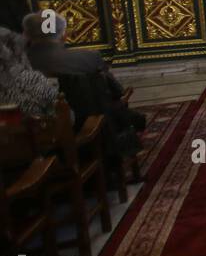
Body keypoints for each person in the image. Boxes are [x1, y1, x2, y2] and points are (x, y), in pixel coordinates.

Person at [22, 11, 145, 157]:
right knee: (113, 106)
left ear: (26, 35)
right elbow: (117, 92)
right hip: (84, 130)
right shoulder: (88, 58)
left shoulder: (13, 65)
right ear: (64, 35)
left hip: (27, 137)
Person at [0, 25, 57, 118]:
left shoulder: (6, 35)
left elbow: (18, 45)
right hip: (7, 88)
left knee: (49, 95)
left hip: (19, 74)